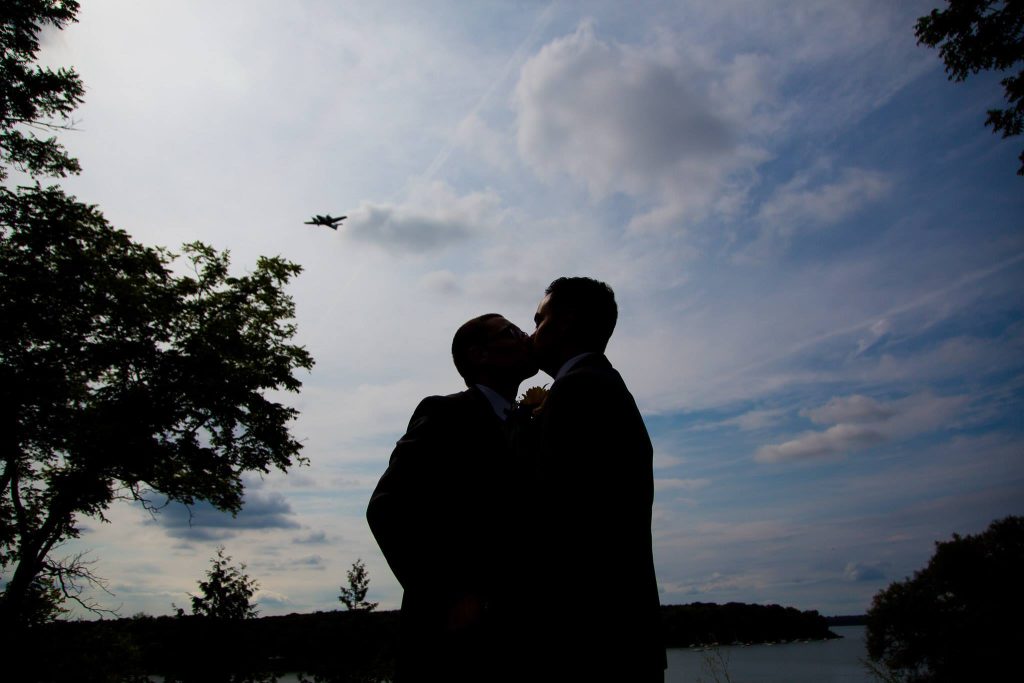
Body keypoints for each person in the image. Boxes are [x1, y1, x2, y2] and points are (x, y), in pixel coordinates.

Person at [366, 313, 537, 682]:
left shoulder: (530, 424)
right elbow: (387, 507)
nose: (527, 337)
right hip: (451, 644)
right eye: (512, 331)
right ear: (479, 355)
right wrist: (450, 597)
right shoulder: (446, 413)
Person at [526, 276, 666, 681]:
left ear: (567, 321)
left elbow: (550, 512)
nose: (532, 333)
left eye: (539, 320)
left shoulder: (579, 389)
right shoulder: (600, 384)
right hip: (619, 634)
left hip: (589, 639)